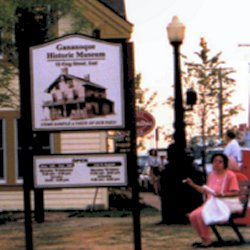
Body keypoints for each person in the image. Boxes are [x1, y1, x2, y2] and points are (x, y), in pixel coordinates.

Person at [184, 153, 240, 248]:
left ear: (225, 163)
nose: (217, 164)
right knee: (193, 215)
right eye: (215, 161)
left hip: (223, 204)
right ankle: (205, 239)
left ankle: (207, 241)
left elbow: (235, 193)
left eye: (220, 162)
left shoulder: (230, 175)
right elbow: (206, 191)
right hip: (210, 204)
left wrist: (221, 194)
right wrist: (192, 184)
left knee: (200, 214)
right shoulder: (212, 175)